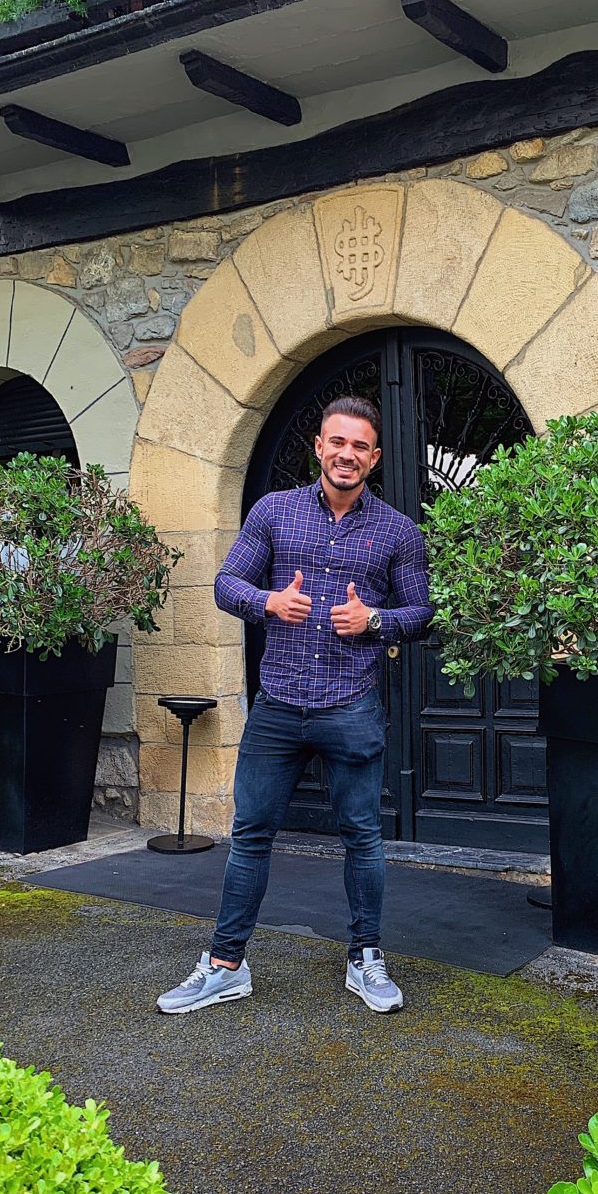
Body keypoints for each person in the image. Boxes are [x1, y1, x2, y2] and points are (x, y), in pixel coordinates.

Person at [157, 394, 434, 1016]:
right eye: (338, 442)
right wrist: (268, 604)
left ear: (375, 458)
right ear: (319, 446)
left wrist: (375, 619)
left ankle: (366, 959)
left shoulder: (398, 531)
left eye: (360, 446)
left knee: (362, 837)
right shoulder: (274, 512)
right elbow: (227, 583)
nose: (347, 454)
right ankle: (226, 965)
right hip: (278, 705)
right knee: (251, 833)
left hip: (350, 706)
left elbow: (421, 614)